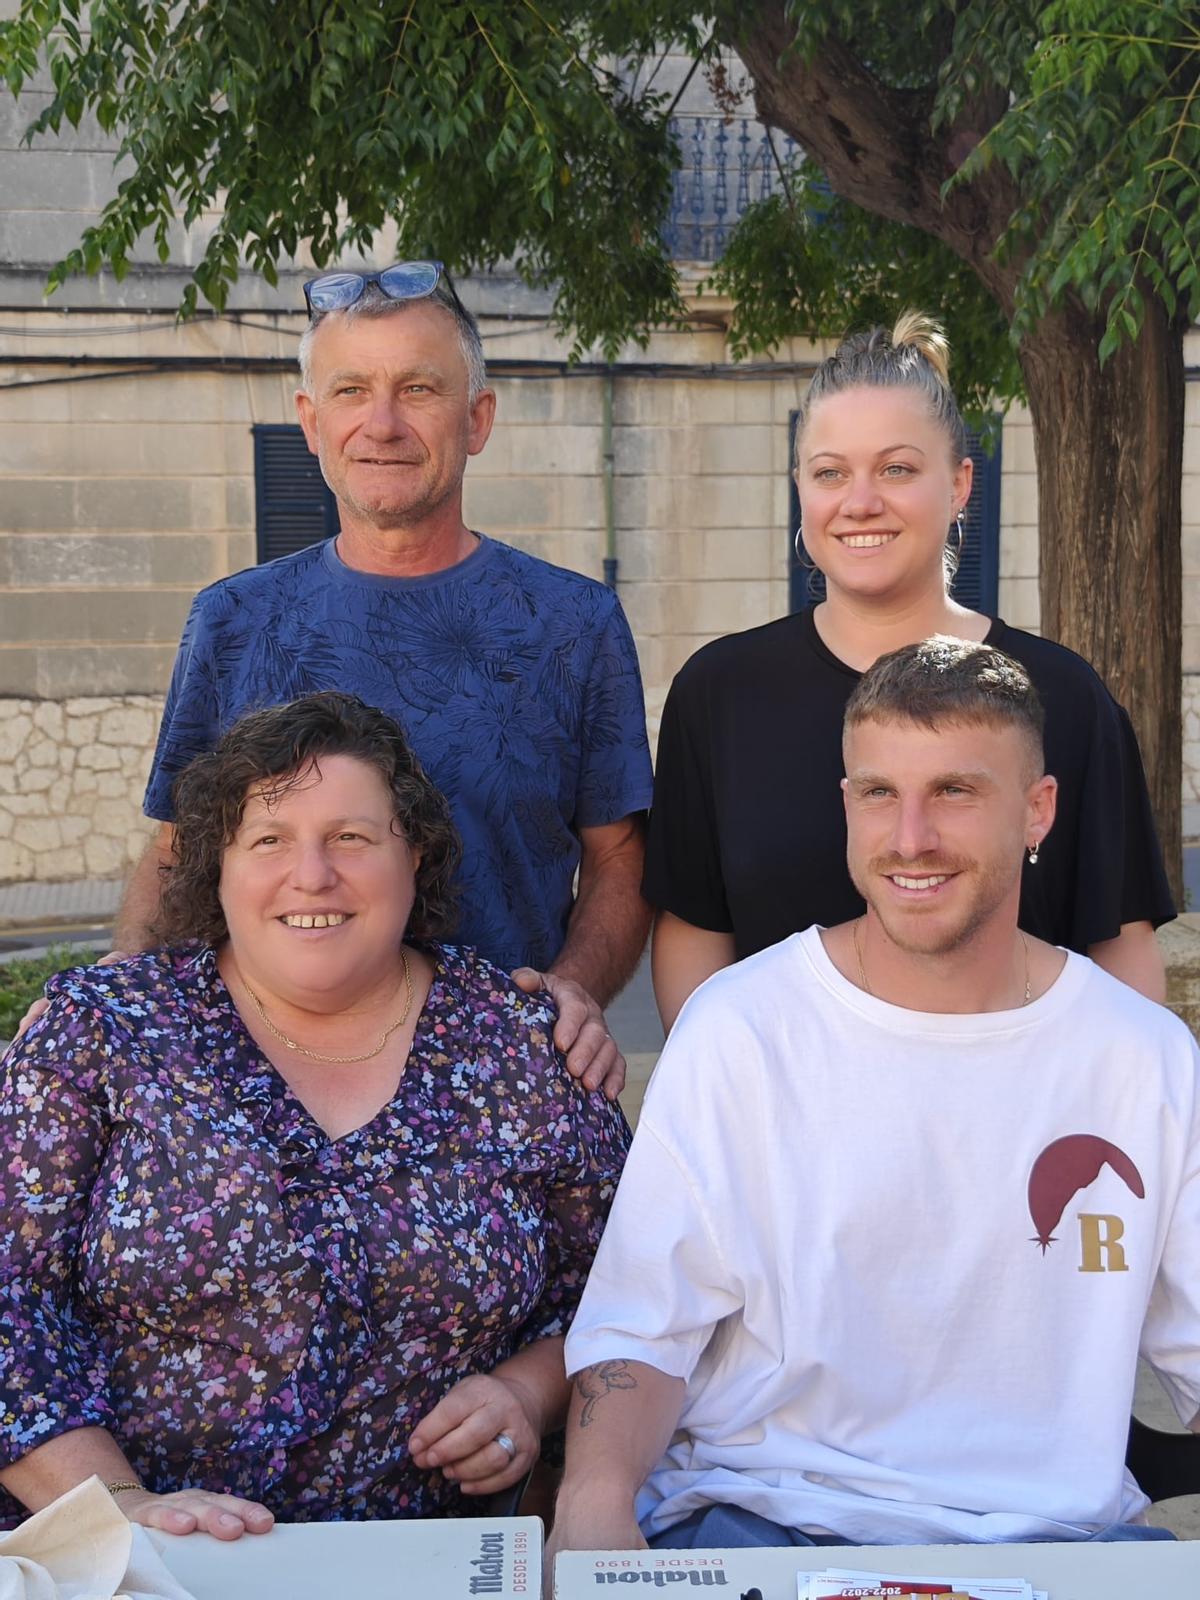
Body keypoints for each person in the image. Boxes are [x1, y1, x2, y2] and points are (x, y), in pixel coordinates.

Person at [550, 638, 1199, 1564]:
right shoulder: (744, 1027)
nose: (911, 839)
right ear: (846, 803)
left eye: (957, 792)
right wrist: (593, 1506)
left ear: (1038, 810)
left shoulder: (1142, 1058)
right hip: (769, 1523)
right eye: (879, 793)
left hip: (1062, 1541)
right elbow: (645, 1329)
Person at [0, 692, 629, 1539]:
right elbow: (11, 1297)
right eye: (269, 840)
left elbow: (625, 1292)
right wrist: (120, 1510)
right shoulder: (104, 1028)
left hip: (421, 1560)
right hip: (127, 1562)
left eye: (352, 838)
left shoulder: (521, 1044)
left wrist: (525, 1390)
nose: (312, 874)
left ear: (416, 859)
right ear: (215, 870)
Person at [32, 261, 653, 1093]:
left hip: (504, 1094)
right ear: (311, 423)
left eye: (419, 389)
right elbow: (180, 849)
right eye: (352, 390)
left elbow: (619, 857)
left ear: (477, 419)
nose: (383, 423)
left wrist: (574, 987)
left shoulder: (573, 624)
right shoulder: (234, 619)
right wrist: (119, 984)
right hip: (261, 1095)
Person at [646, 312, 1173, 1030]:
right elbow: (696, 936)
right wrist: (730, 1113)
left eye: (896, 468)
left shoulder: (1066, 699)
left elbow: (1119, 957)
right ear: (801, 487)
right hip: (793, 1127)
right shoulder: (718, 695)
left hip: (1012, 1123)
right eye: (831, 472)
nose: (860, 501)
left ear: (959, 485)